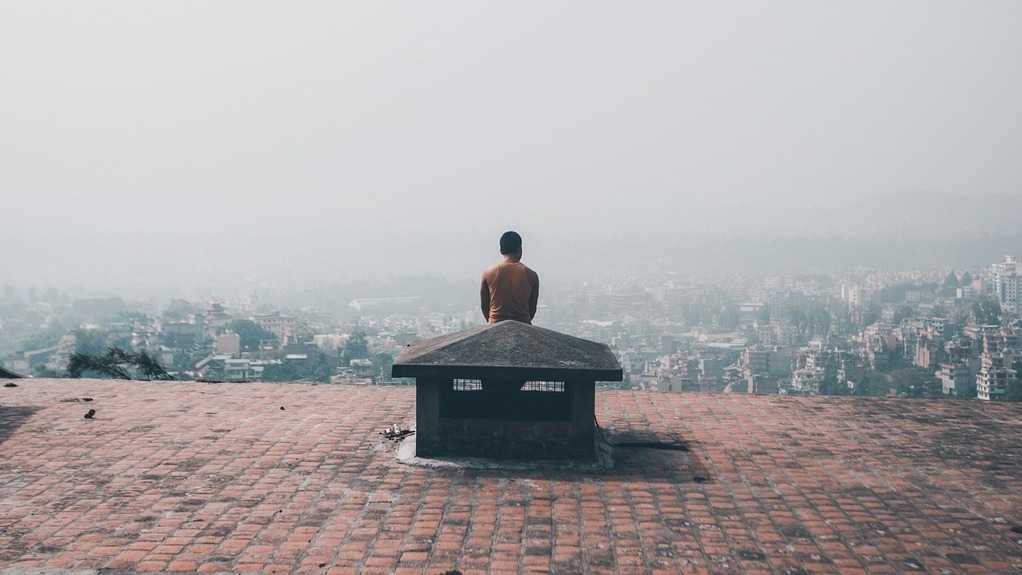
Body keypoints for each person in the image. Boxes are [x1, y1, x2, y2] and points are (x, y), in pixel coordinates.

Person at [480, 231, 540, 324]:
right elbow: (532, 309)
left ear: (501, 250)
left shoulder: (488, 273)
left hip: (495, 323)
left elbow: (484, 306)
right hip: (523, 324)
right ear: (520, 249)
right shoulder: (531, 275)